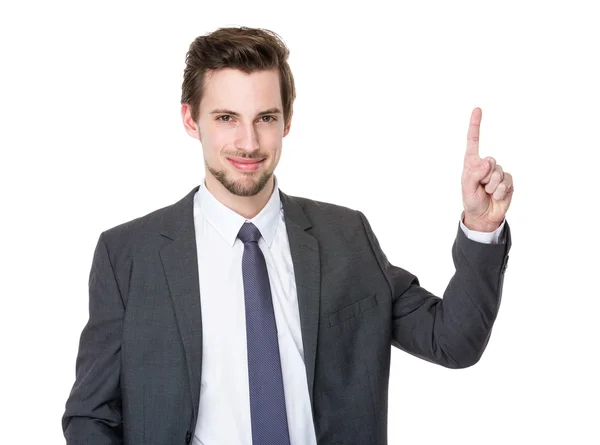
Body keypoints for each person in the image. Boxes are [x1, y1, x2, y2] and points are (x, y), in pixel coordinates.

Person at [62, 26, 513, 445]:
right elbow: (91, 414)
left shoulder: (346, 237)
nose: (248, 142)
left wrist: (481, 227)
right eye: (225, 117)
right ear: (190, 120)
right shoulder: (128, 255)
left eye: (265, 118)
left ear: (287, 121)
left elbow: (451, 341)